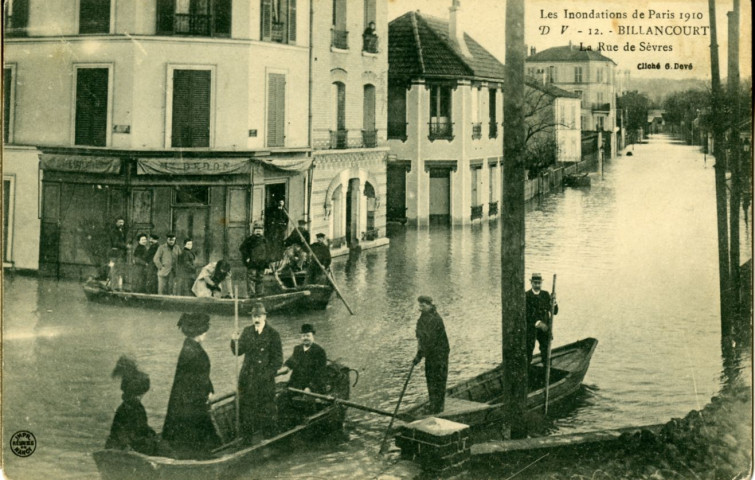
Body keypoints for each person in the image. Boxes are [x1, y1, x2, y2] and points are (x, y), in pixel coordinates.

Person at [162, 313, 220, 458]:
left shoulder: (187, 347)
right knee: (198, 434)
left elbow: (198, 377)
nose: (206, 333)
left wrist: (208, 387)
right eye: (204, 330)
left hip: (181, 400)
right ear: (199, 332)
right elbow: (199, 380)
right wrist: (208, 392)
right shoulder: (197, 353)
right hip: (192, 402)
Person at [231, 302, 283, 440]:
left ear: (265, 316)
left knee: (267, 409)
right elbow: (238, 352)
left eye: (259, 316)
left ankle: (269, 439)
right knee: (246, 410)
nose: (256, 319)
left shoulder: (273, 334)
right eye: (254, 316)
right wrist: (234, 341)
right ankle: (246, 440)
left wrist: (267, 374)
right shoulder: (247, 331)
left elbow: (278, 360)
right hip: (247, 378)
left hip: (264, 380)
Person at [106, 355, 162, 455]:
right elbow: (135, 433)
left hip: (121, 443)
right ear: (140, 392)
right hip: (127, 447)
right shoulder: (135, 408)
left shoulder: (124, 407)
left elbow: (137, 429)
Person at [412, 296, 450, 415]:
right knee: (430, 377)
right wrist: (420, 352)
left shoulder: (435, 319)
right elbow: (421, 338)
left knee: (438, 379)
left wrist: (418, 356)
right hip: (431, 354)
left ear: (430, 305)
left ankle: (438, 408)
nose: (421, 308)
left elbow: (429, 340)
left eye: (423, 306)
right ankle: (433, 404)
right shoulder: (424, 317)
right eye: (420, 305)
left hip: (440, 354)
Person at [280, 324, 327, 392]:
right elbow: (291, 362)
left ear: (313, 336)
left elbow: (320, 373)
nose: (305, 338)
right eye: (303, 336)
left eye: (308, 335)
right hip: (296, 384)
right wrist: (284, 368)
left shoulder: (319, 351)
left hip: (313, 385)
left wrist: (310, 387)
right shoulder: (297, 349)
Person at [525, 272, 558, 367]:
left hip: (545, 328)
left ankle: (546, 371)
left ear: (541, 283)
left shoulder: (546, 294)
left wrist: (554, 302)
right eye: (535, 283)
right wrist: (538, 323)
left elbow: (554, 311)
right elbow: (526, 314)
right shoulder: (526, 295)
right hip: (532, 328)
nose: (537, 285)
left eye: (539, 283)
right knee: (528, 350)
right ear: (531, 283)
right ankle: (526, 371)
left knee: (546, 350)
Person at [239, 223, 270, 298]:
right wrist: (247, 257)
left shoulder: (265, 240)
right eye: (257, 230)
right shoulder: (250, 239)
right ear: (254, 231)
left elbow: (268, 252)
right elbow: (242, 248)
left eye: (260, 230)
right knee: (251, 278)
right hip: (252, 262)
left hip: (262, 263)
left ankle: (259, 294)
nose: (258, 232)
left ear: (262, 231)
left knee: (260, 278)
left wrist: (267, 264)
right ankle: (251, 294)